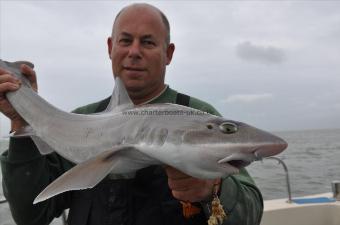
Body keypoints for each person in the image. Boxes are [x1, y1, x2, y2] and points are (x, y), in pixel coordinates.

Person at [0, 3, 263, 225]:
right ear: (110, 47)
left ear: (168, 53)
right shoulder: (81, 119)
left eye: (147, 42)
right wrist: (21, 119)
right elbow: (31, 216)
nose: (134, 52)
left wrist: (212, 190)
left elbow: (251, 215)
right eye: (125, 41)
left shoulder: (201, 116)